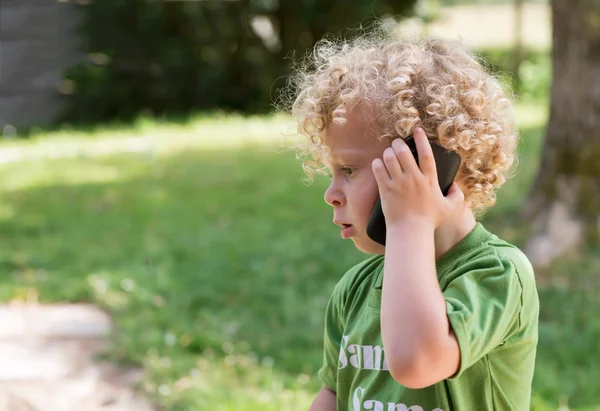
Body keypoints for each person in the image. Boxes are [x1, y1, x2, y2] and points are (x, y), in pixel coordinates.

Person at [284, 31, 540, 411]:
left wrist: (409, 225)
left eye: (349, 170)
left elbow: (417, 361)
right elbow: (333, 394)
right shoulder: (355, 290)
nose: (331, 193)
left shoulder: (496, 274)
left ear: (431, 167)